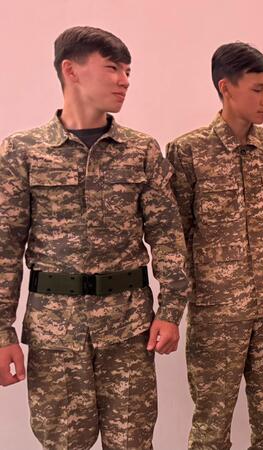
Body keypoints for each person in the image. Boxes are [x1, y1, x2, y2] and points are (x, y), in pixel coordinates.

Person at [0, 26, 190, 449]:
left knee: (133, 443)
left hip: (129, 330)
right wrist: (1, 331)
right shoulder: (23, 151)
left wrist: (171, 310)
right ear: (71, 70)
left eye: (128, 71)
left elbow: (167, 235)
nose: (124, 80)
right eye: (112, 69)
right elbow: (5, 247)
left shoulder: (140, 150)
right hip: (56, 334)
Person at [166, 42, 263, 449]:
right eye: (257, 89)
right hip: (217, 315)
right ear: (226, 87)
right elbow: (175, 238)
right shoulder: (188, 151)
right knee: (211, 429)